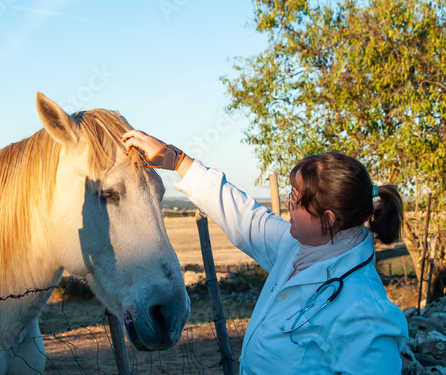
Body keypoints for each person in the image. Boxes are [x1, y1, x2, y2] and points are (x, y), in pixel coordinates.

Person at [121, 130, 409, 375]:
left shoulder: (365, 314)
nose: (287, 204)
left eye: (296, 201)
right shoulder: (301, 247)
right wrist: (176, 160)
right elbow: (245, 218)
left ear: (329, 219)